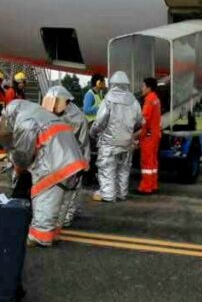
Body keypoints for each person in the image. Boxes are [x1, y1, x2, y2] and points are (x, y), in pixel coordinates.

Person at [0, 99, 87, 247]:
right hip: (74, 160)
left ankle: (40, 237)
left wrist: (17, 168)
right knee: (61, 202)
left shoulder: (25, 122)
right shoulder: (38, 113)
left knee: (45, 197)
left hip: (56, 163)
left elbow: (23, 155)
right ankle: (53, 233)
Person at [42, 86, 91, 230]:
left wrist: (84, 163)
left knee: (71, 191)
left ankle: (67, 216)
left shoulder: (78, 119)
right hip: (55, 158)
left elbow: (84, 143)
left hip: (72, 160)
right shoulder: (51, 115)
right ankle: (56, 216)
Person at [90, 71, 143, 202]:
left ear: (112, 84)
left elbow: (100, 121)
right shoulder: (134, 101)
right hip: (127, 143)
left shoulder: (108, 99)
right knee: (123, 170)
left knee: (107, 168)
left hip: (109, 143)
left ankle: (108, 194)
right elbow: (139, 121)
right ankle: (121, 193)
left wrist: (93, 132)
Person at [137, 77, 162, 195]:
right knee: (153, 161)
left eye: (143, 86)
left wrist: (136, 134)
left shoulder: (149, 99)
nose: (142, 89)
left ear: (148, 87)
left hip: (148, 135)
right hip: (155, 134)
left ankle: (146, 187)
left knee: (146, 161)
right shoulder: (156, 99)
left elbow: (144, 119)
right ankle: (153, 184)